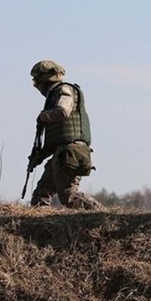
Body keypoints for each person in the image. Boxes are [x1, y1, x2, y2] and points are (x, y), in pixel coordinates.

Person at [27, 60, 101, 210]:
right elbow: (55, 139)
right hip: (62, 154)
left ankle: (100, 213)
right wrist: (38, 157)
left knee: (69, 196)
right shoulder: (53, 96)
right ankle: (43, 228)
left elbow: (62, 112)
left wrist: (44, 117)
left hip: (70, 154)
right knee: (41, 196)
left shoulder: (64, 91)